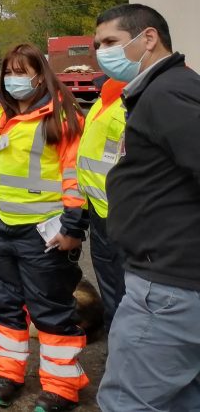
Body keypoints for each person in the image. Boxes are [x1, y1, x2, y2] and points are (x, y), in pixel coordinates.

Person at [0, 43, 88, 412]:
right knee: (3, 305)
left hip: (43, 232)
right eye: (9, 72)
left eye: (23, 71)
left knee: (51, 308)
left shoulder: (61, 117)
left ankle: (61, 387)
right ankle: (8, 374)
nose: (14, 79)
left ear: (40, 74)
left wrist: (73, 227)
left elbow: (73, 176)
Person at [94, 3, 200, 412]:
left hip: (167, 288)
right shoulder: (163, 90)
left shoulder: (167, 92)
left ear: (148, 38)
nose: (101, 52)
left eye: (110, 42)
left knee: (128, 402)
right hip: (174, 278)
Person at [76, 73, 127, 333]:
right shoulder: (104, 99)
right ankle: (116, 346)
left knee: (131, 292)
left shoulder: (140, 101)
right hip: (99, 211)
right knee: (111, 289)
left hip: (130, 218)